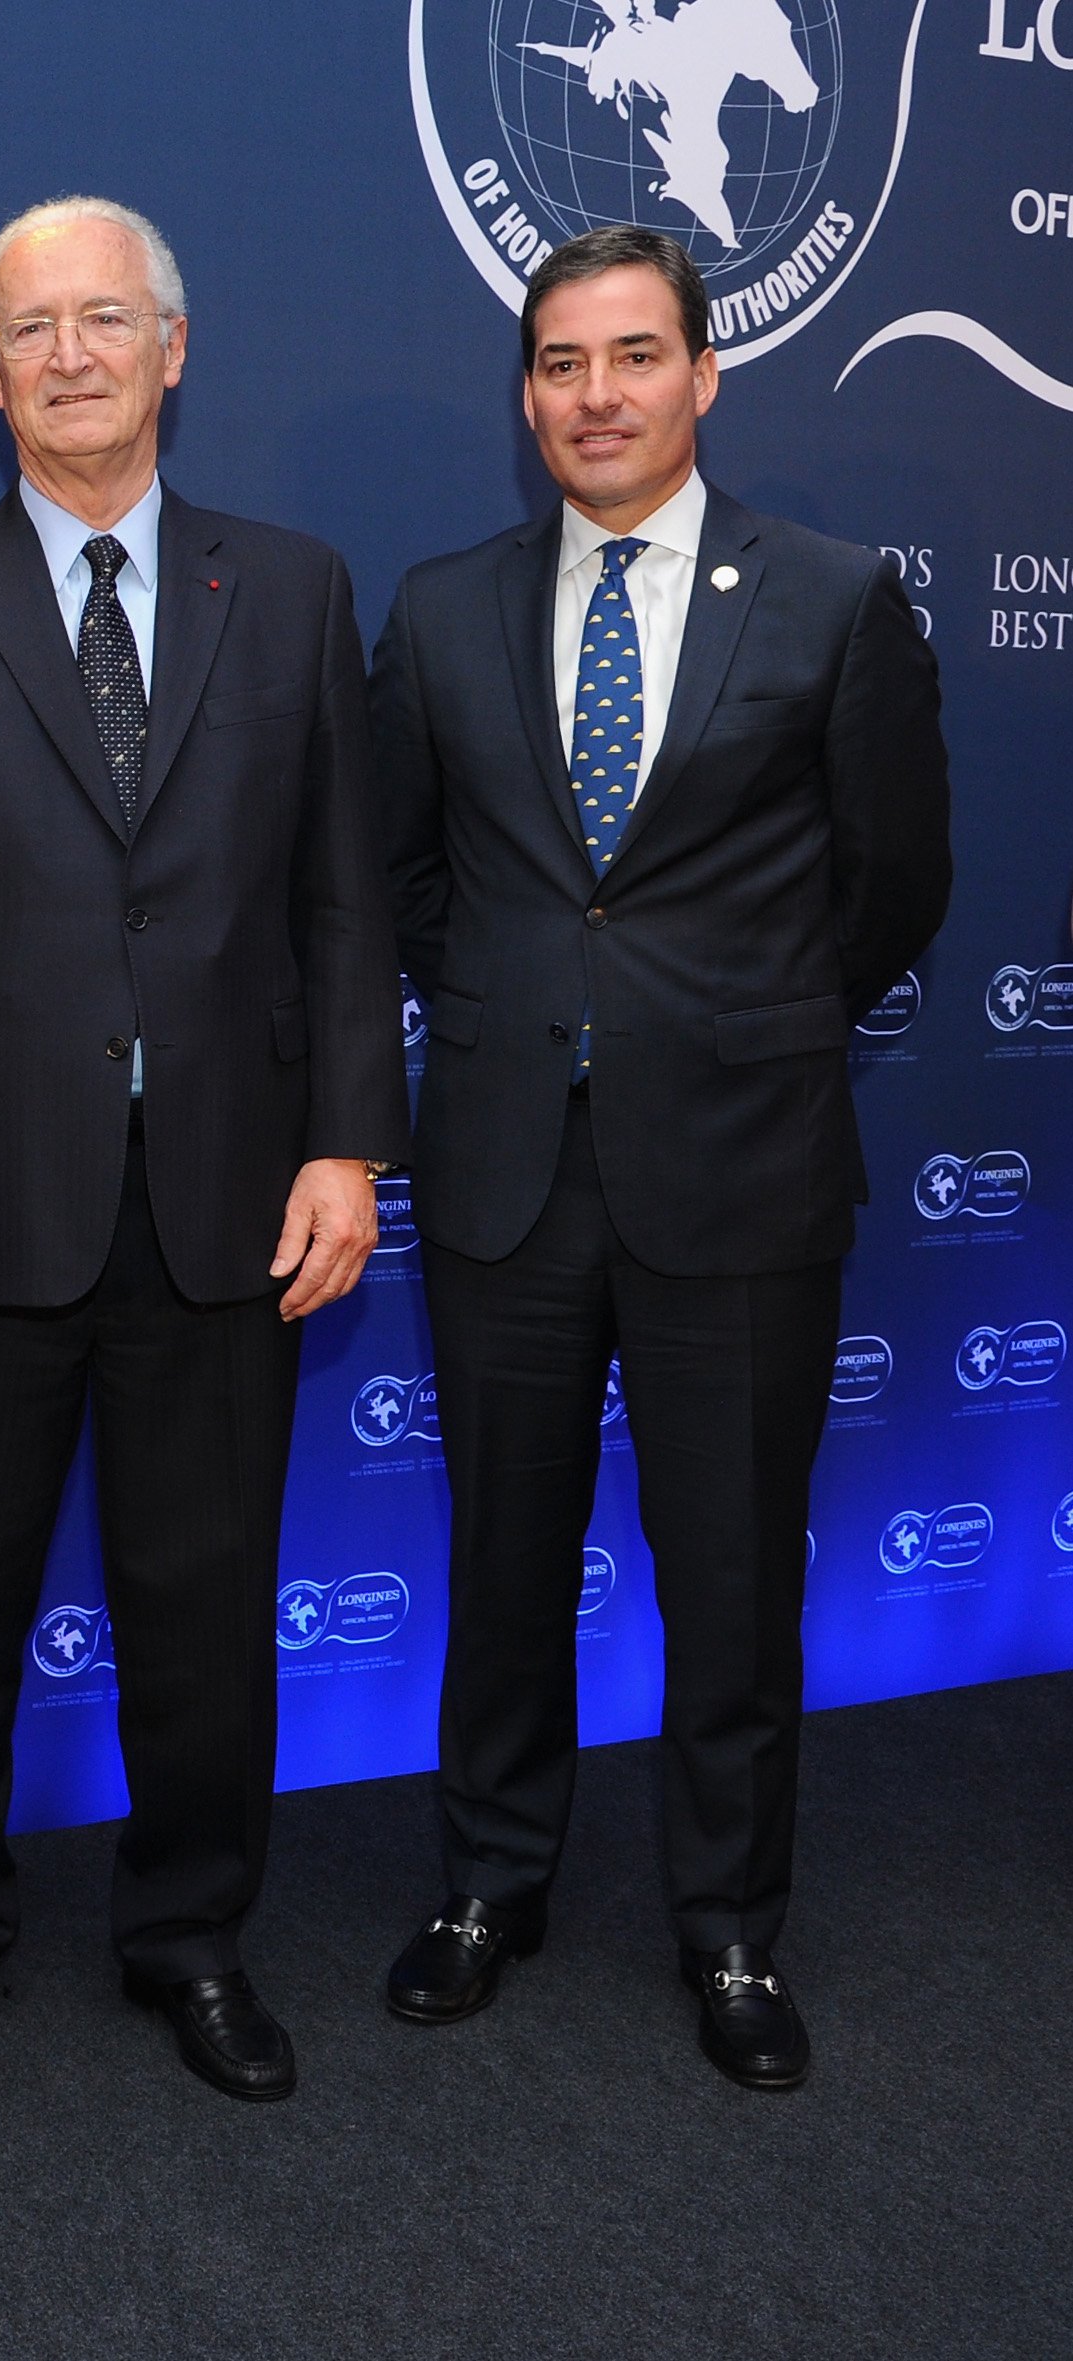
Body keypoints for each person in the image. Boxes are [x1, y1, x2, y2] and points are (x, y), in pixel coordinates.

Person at [0, 196, 406, 2105]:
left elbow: (341, 897)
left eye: (106, 319)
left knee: (205, 1598)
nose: (71, 353)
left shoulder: (295, 585)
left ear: (174, 346)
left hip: (231, 1194)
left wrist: (346, 1147)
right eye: (31, 331)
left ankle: (192, 1937)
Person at [369, 225, 949, 2089]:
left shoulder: (838, 598)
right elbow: (403, 880)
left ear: (705, 376)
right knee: (503, 1560)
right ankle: (489, 1885)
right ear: (524, 391)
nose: (593, 396)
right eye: (557, 363)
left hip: (744, 1170)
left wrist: (731, 1028)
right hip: (503, 1169)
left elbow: (890, 886)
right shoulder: (441, 607)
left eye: (630, 358)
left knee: (728, 1574)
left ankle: (726, 1926)